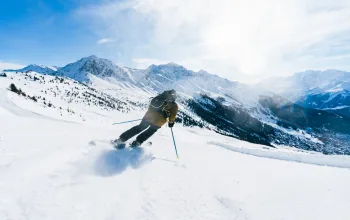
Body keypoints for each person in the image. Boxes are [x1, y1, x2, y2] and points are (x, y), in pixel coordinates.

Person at [112, 89, 178, 149]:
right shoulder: (174, 105)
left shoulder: (159, 98)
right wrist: (171, 122)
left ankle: (121, 140)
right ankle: (137, 142)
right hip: (158, 122)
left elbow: (151, 106)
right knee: (149, 131)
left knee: (139, 128)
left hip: (149, 117)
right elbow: (172, 115)